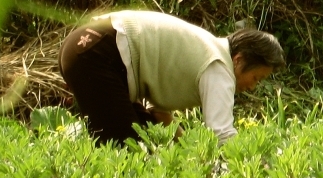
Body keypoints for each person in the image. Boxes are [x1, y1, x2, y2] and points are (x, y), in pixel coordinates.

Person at [58, 10, 284, 146]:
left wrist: (184, 147)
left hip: (84, 47)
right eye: (256, 78)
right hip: (98, 52)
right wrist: (257, 167)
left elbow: (158, 114)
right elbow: (222, 134)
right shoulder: (219, 66)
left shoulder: (206, 50)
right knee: (128, 151)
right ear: (239, 60)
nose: (253, 87)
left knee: (147, 135)